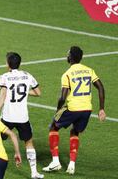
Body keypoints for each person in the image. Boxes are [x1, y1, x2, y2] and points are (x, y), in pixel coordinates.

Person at [43, 46, 106, 175]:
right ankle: (71, 165)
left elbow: (63, 96)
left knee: (53, 127)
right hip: (87, 109)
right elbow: (100, 87)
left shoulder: (67, 74)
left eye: (68, 54)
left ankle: (55, 162)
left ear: (70, 57)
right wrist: (101, 109)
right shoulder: (89, 70)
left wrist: (58, 110)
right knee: (75, 131)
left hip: (72, 108)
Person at [0, 52, 44, 179]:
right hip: (22, 118)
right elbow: (38, 92)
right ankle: (34, 172)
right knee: (28, 142)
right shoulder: (27, 76)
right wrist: (26, 91)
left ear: (8, 64)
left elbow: (3, 94)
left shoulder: (4, 77)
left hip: (8, 117)